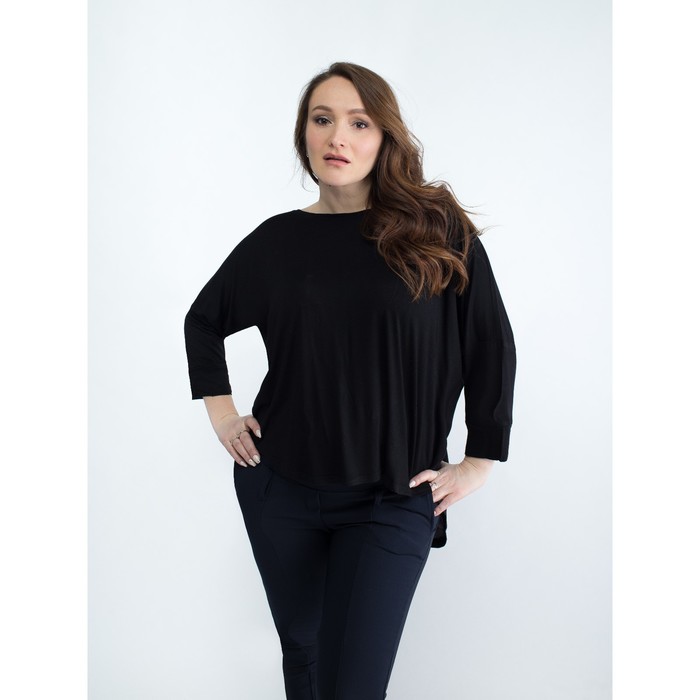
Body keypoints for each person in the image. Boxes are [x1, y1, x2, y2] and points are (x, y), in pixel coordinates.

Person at [184, 61, 516, 700]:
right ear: (304, 135)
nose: (338, 136)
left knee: (351, 686)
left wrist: (480, 458)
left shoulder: (436, 229)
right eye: (323, 119)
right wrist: (222, 413)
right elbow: (203, 321)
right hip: (280, 489)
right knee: (305, 660)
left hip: (391, 496)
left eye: (359, 123)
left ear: (385, 137)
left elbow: (490, 343)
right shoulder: (277, 242)